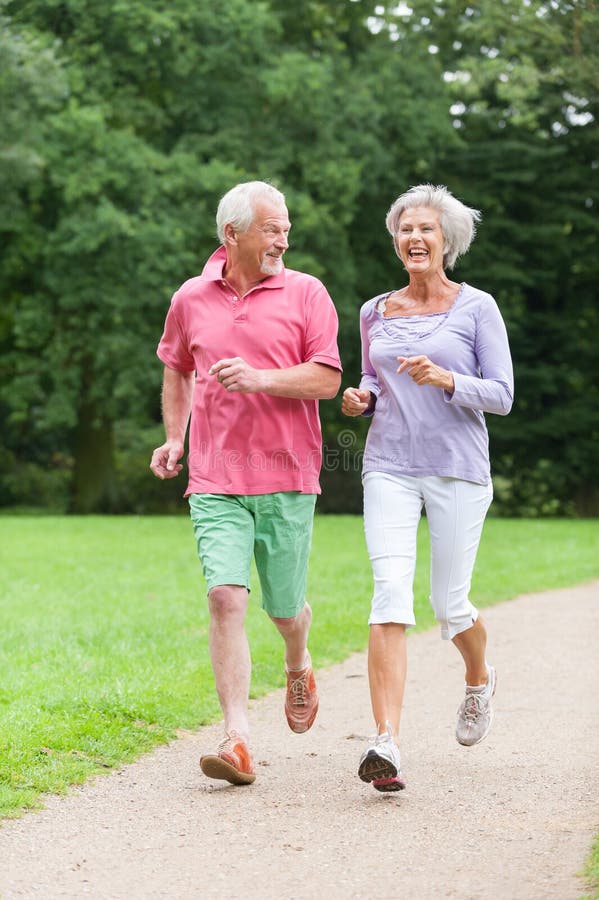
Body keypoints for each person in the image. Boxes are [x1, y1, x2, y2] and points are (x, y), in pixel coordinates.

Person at [150, 181, 342, 786]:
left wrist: (261, 380)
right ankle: (236, 738)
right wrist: (176, 438)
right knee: (225, 598)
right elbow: (177, 370)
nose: (284, 238)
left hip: (287, 473)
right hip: (214, 477)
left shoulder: (307, 293)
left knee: (285, 608)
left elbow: (327, 381)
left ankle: (297, 657)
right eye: (272, 228)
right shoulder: (190, 297)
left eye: (286, 228)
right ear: (232, 234)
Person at [341, 184, 513, 792]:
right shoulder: (373, 311)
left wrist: (448, 378)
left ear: (447, 241)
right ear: (395, 239)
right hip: (388, 463)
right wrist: (359, 399)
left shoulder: (476, 308)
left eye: (427, 230)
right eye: (405, 229)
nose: (415, 238)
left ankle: (478, 677)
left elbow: (503, 394)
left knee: (449, 606)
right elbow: (370, 376)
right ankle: (384, 741)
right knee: (389, 593)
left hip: (457, 468)